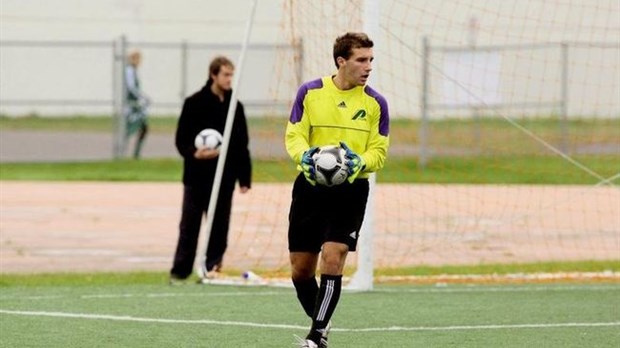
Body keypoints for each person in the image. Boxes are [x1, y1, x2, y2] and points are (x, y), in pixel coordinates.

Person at [285, 32, 390, 348]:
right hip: (310, 190)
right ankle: (324, 323)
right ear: (341, 61)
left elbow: (379, 153)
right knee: (301, 272)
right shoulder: (310, 93)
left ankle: (316, 337)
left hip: (351, 191)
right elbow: (294, 136)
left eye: (370, 59)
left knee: (333, 256)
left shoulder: (376, 104)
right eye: (361, 60)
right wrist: (306, 157)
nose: (368, 66)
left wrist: (358, 162)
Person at [170, 56, 252, 284]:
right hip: (196, 177)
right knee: (189, 226)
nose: (229, 79)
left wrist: (245, 178)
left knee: (219, 227)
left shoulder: (235, 106)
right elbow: (181, 139)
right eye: (225, 74)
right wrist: (194, 153)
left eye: (231, 75)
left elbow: (241, 143)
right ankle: (180, 271)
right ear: (213, 75)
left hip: (224, 177)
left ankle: (212, 268)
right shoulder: (194, 102)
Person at [124, 50, 150, 159]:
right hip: (131, 105)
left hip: (136, 104)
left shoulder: (133, 70)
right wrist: (143, 97)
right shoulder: (129, 70)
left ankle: (136, 154)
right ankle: (123, 152)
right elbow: (131, 88)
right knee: (129, 129)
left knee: (143, 127)